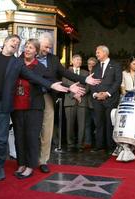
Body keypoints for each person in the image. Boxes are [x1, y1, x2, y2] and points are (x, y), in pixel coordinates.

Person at [0, 34, 85, 181]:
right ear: (5, 42)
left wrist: (59, 85)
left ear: (36, 51)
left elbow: (37, 77)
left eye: (19, 43)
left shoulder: (16, 63)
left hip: (8, 105)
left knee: (3, 138)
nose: (17, 44)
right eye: (15, 41)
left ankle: (1, 167)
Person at [37, 33, 101, 173]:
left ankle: (43, 160)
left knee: (47, 129)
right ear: (38, 43)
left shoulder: (53, 59)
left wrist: (85, 80)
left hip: (47, 95)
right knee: (32, 129)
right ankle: (28, 159)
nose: (48, 50)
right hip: (31, 97)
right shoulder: (28, 56)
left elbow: (67, 74)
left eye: (50, 47)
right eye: (46, 47)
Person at [12, 39, 49, 179]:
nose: (27, 49)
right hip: (16, 106)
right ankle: (21, 163)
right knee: (19, 136)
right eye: (26, 47)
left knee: (32, 137)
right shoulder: (16, 63)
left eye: (31, 48)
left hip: (34, 107)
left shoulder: (40, 67)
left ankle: (30, 166)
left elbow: (48, 82)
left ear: (36, 52)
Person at [90, 45, 122, 154]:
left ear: (105, 53)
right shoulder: (95, 67)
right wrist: (95, 94)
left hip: (111, 99)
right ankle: (99, 146)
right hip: (97, 99)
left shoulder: (116, 65)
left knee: (109, 123)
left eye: (98, 52)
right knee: (99, 123)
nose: (96, 54)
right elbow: (92, 82)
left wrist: (107, 94)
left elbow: (118, 82)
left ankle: (111, 147)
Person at [63, 54, 89, 152]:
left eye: (80, 60)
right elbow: (64, 83)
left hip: (82, 101)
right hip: (70, 100)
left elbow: (88, 86)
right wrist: (74, 94)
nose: (79, 61)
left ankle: (80, 145)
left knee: (82, 124)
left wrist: (80, 94)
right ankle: (70, 145)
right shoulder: (66, 72)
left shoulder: (85, 73)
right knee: (69, 124)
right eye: (77, 60)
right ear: (72, 61)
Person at [85, 57, 97, 149]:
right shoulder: (84, 74)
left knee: (97, 125)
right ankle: (87, 143)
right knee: (87, 124)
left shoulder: (98, 75)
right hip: (85, 104)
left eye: (93, 64)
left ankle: (97, 143)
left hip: (95, 104)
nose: (91, 66)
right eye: (89, 64)